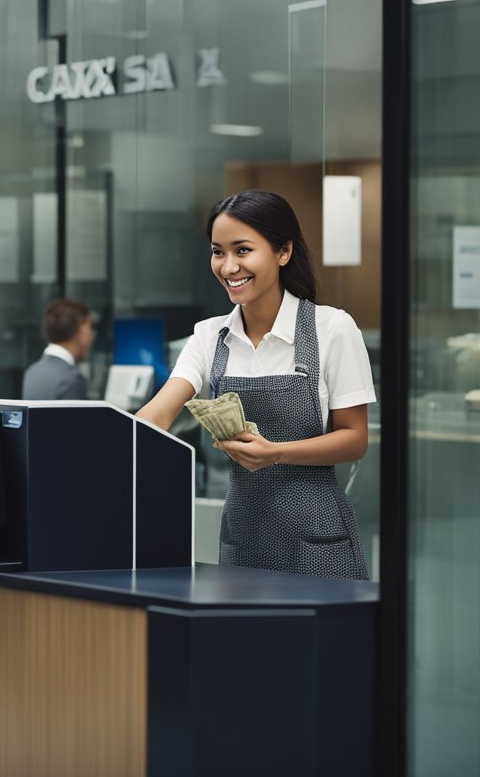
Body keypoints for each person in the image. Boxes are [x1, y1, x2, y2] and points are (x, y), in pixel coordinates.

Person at [136, 189, 375, 579]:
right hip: (242, 538)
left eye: (242, 250)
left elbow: (355, 438)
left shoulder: (331, 328)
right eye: (218, 251)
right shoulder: (208, 336)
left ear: (283, 252)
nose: (228, 266)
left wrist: (276, 453)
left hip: (318, 540)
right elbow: (158, 414)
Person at [22, 297, 93, 400]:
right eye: (90, 328)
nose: (91, 336)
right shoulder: (71, 380)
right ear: (81, 329)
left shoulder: (32, 372)